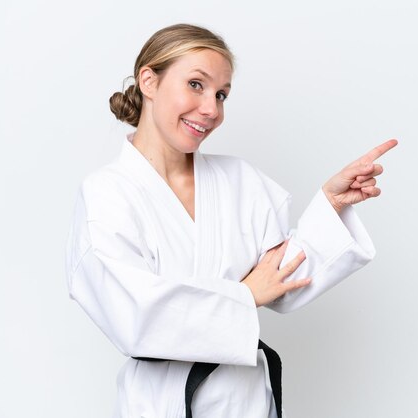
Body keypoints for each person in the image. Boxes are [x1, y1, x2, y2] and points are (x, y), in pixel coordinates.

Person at [65, 23, 397, 418]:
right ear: (149, 81)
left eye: (221, 94)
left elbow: (283, 280)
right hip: (161, 407)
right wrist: (245, 296)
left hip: (248, 402)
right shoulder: (107, 193)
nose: (211, 109)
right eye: (196, 85)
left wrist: (330, 204)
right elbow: (135, 316)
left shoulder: (239, 180)